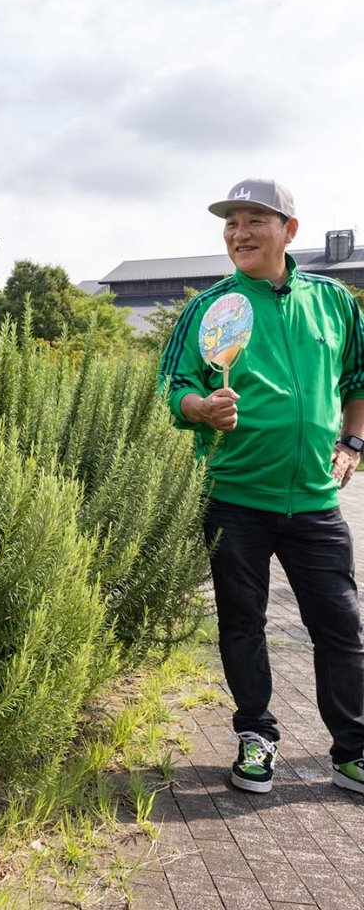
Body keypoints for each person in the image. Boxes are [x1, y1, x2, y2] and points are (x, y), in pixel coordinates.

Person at [159, 178, 364, 794]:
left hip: (315, 501)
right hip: (234, 497)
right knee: (242, 623)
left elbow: (358, 379)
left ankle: (353, 750)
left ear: (289, 231)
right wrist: (201, 409)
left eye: (254, 221)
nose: (239, 233)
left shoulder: (334, 302)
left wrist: (353, 442)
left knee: (341, 627)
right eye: (231, 224)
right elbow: (174, 386)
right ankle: (257, 737)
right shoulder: (211, 308)